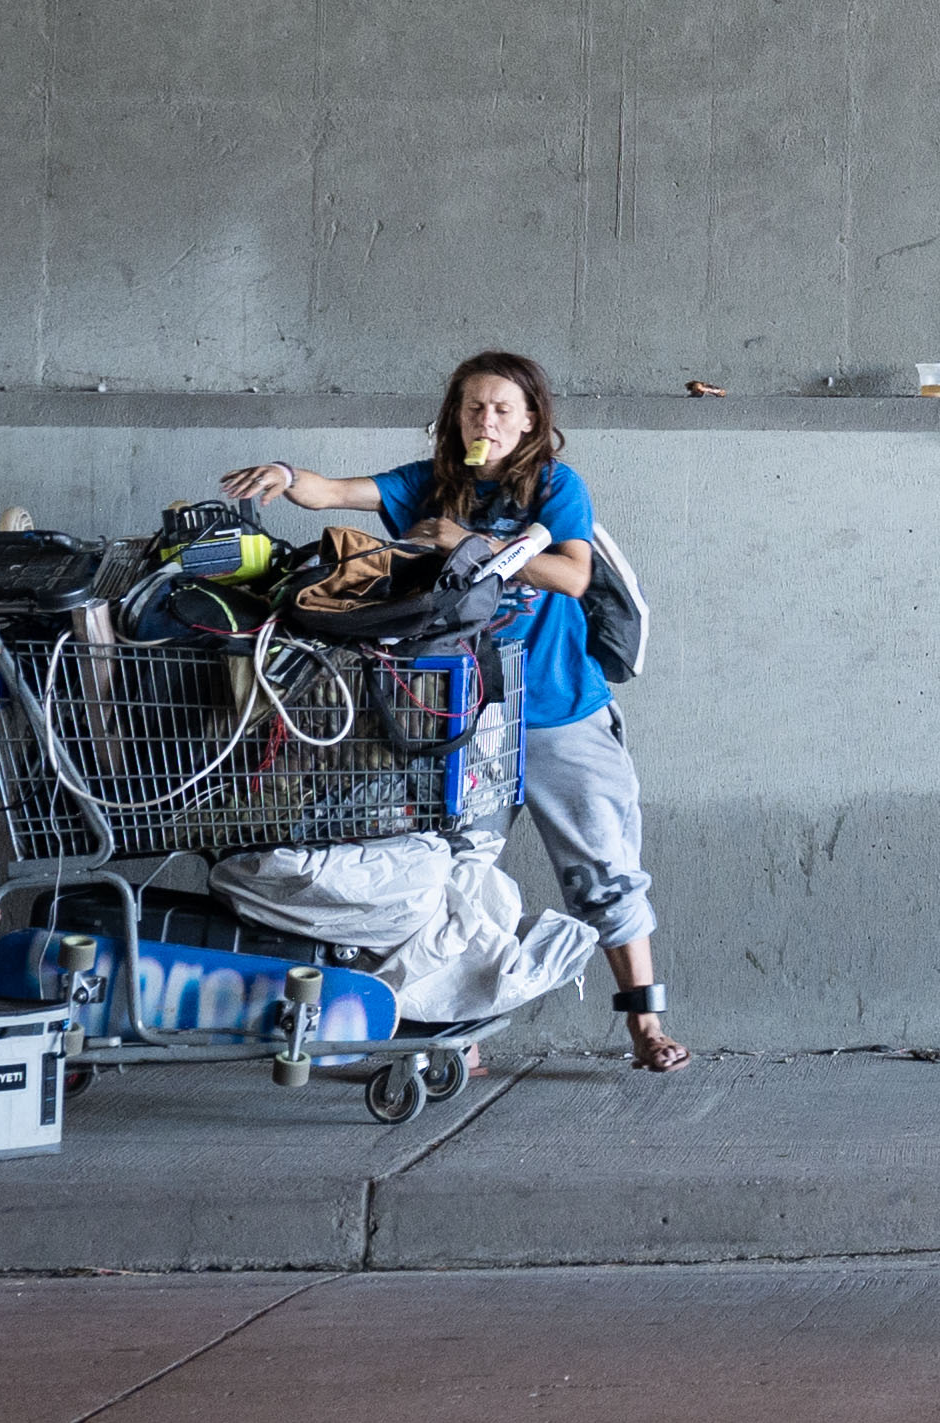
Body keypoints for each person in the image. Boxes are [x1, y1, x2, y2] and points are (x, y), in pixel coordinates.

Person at [227, 351, 686, 1072]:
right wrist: (287, 478)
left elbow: (571, 572)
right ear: (454, 417)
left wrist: (475, 545)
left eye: (503, 408)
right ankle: (455, 1030)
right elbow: (334, 491)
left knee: (605, 869)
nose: (487, 420)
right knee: (455, 870)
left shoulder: (554, 487)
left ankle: (645, 1027)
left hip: (562, 709)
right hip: (464, 719)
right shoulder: (427, 487)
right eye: (474, 406)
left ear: (532, 419)